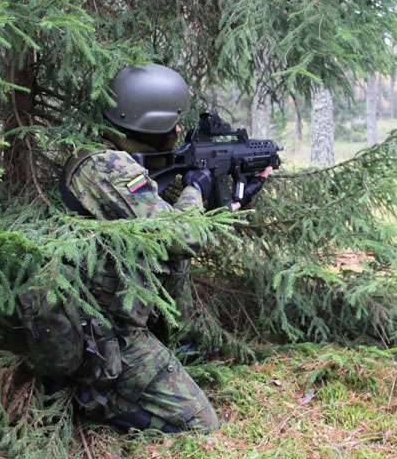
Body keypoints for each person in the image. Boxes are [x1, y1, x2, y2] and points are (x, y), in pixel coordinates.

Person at [53, 64, 270, 433]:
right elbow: (180, 237)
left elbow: (164, 221)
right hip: (103, 333)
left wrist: (231, 203)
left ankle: (156, 359)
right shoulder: (108, 169)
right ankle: (95, 402)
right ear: (150, 124)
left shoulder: (122, 163)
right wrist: (196, 186)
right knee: (201, 425)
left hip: (124, 318)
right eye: (174, 123)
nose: (179, 130)